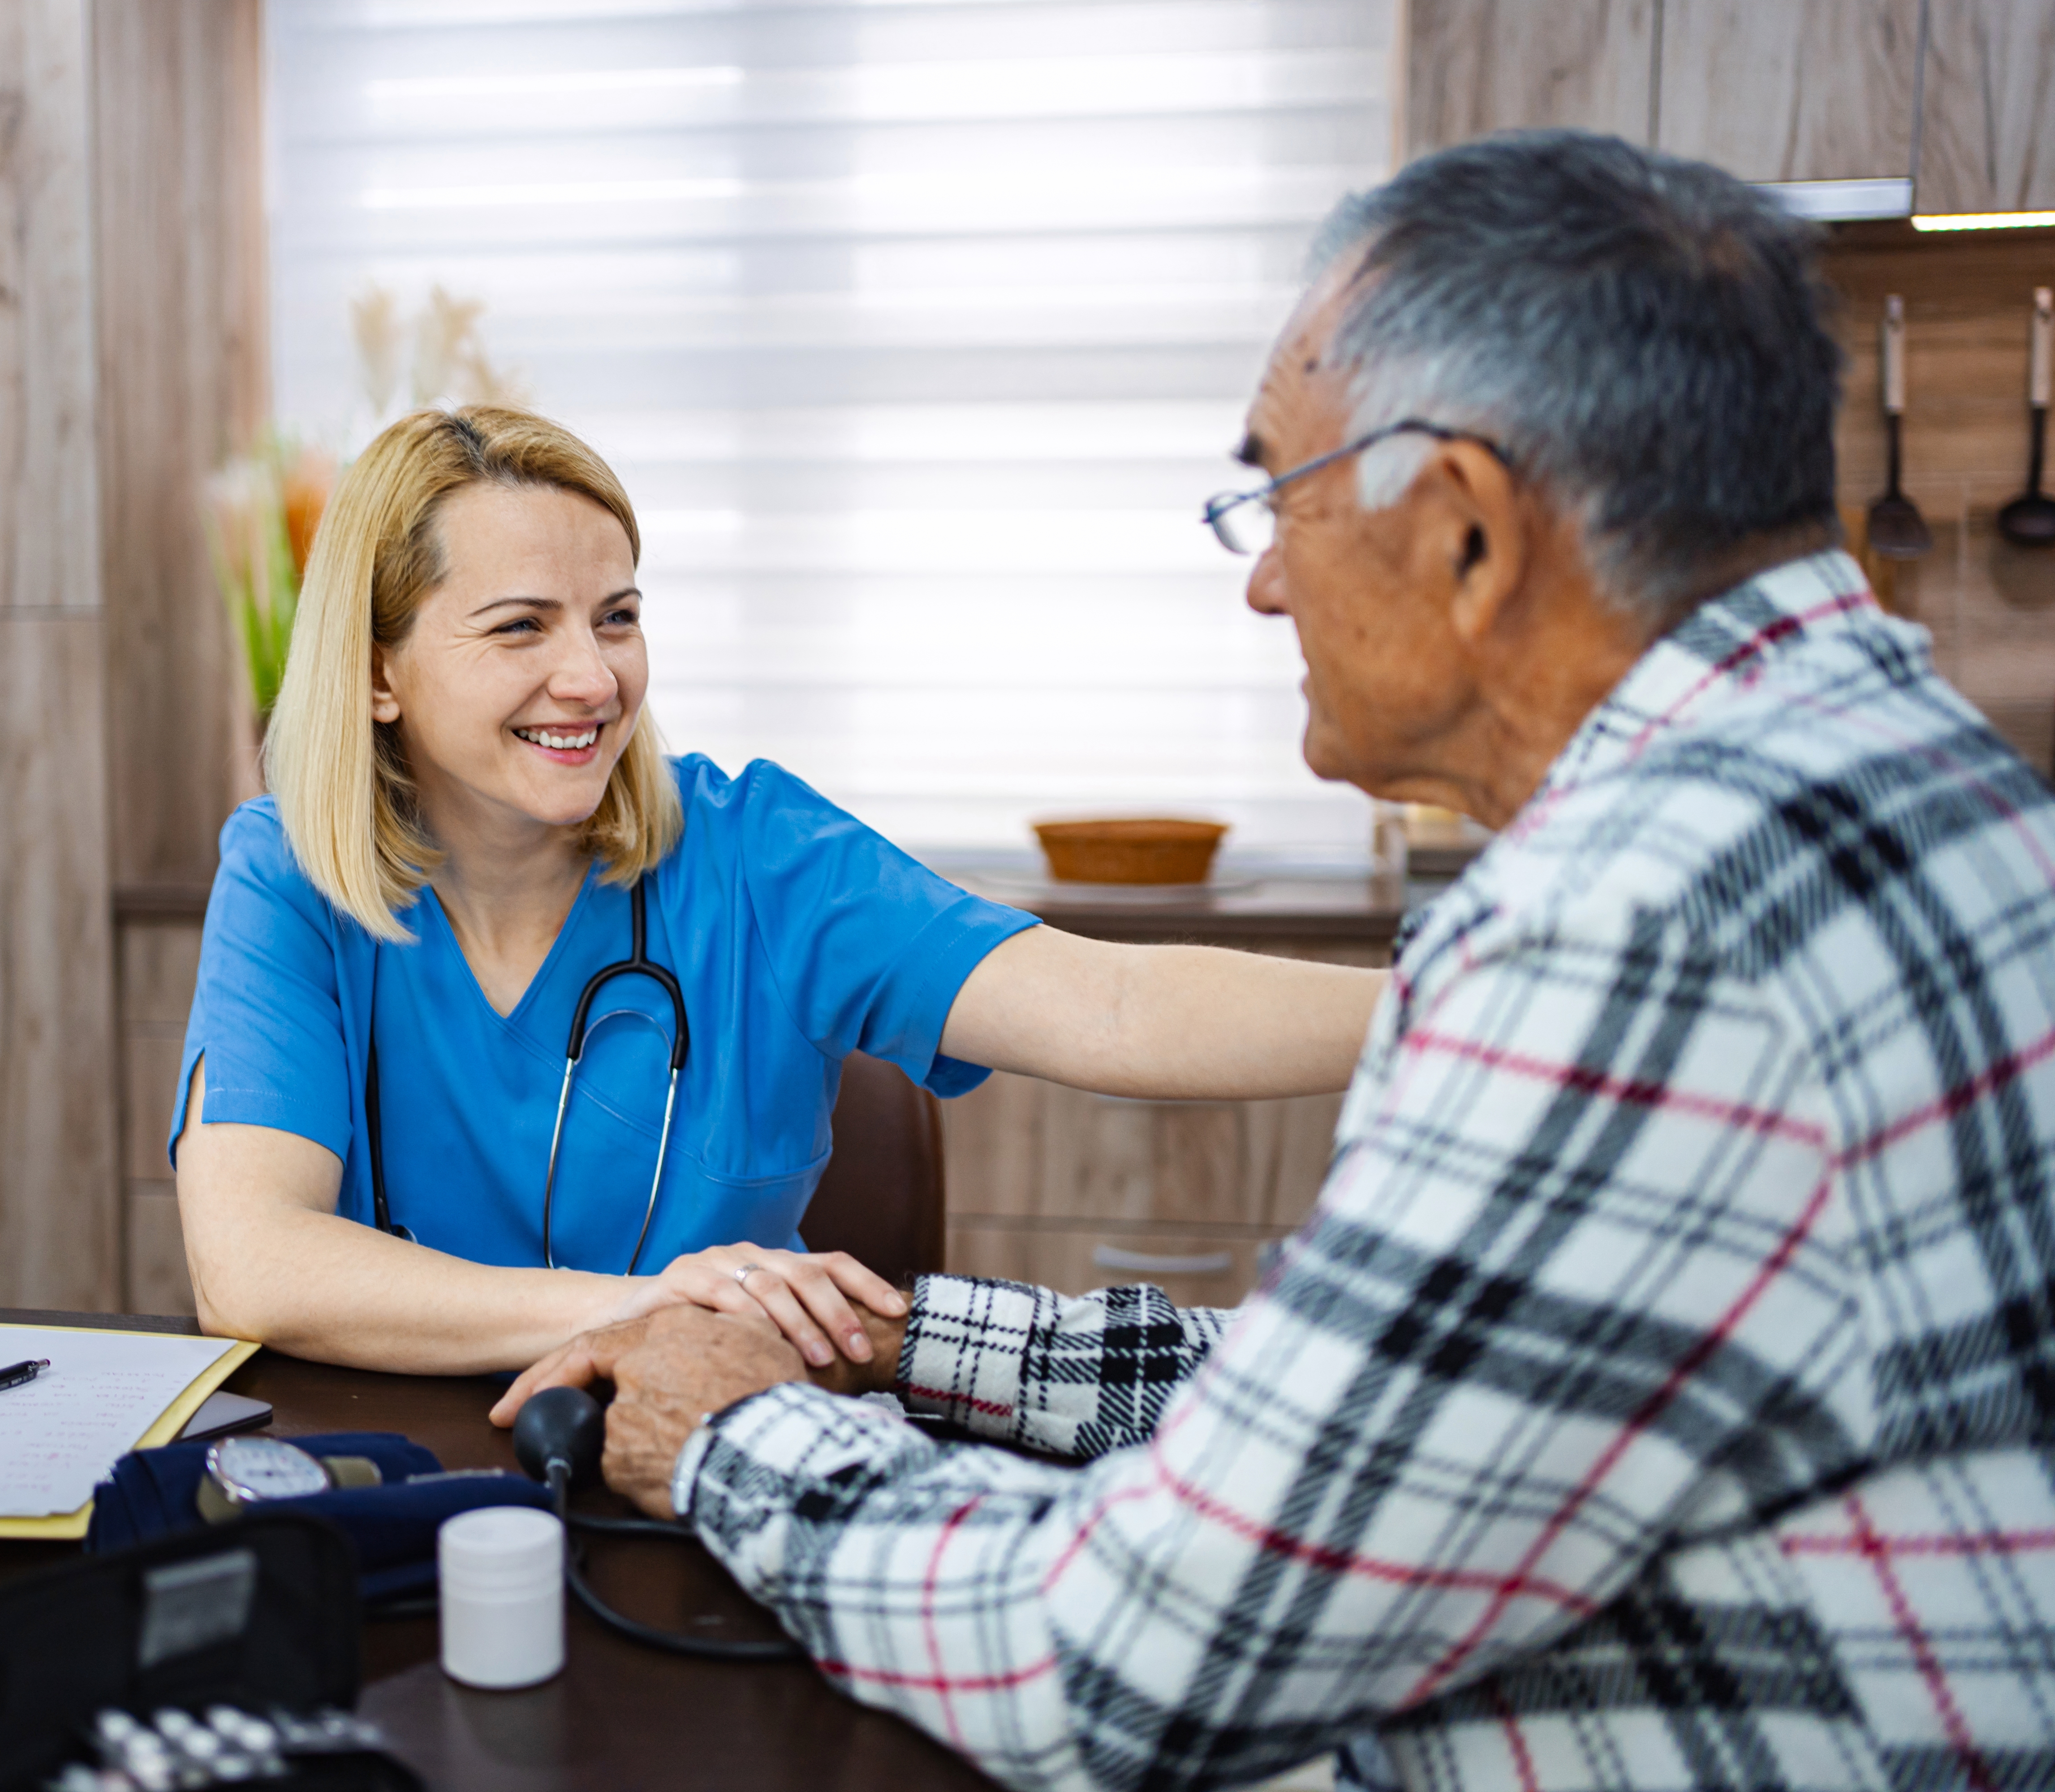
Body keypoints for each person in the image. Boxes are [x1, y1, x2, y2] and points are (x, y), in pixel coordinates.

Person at [498, 131, 2055, 1792]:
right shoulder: (1921, 782)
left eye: (1282, 500)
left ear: (1465, 530)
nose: (1260, 583)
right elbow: (1380, 1408)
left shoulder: (1634, 928)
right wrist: (906, 1340)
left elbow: (1125, 1658)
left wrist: (733, 1427)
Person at [172, 405, 1386, 1376]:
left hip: (715, 1449)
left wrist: (1455, 1008)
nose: (592, 678)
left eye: (617, 618)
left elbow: (1113, 1007)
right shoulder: (291, 875)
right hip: (390, 1477)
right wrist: (641, 1306)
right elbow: (254, 1266)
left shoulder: (758, 854)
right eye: (520, 628)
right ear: (378, 674)